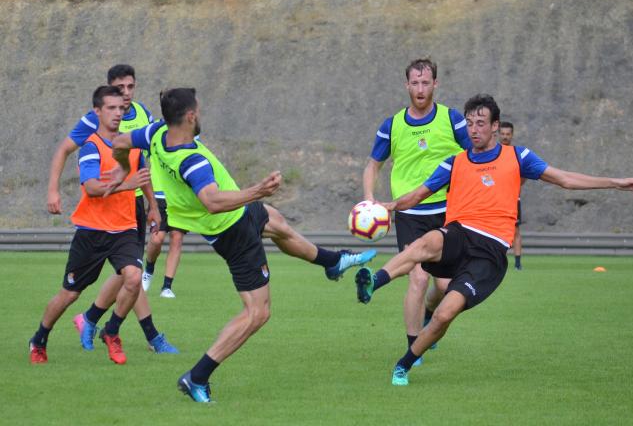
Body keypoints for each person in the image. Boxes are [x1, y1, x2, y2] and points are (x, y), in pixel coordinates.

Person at [107, 88, 377, 402]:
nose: (201, 114)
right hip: (231, 231)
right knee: (258, 313)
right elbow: (211, 201)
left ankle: (332, 262)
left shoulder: (157, 133)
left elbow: (120, 142)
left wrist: (125, 169)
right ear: (191, 116)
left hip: (240, 214)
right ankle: (197, 377)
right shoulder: (191, 161)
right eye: (200, 110)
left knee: (276, 224)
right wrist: (258, 190)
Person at [354, 94, 633, 386]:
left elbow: (565, 179)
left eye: (480, 123)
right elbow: (417, 195)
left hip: (489, 254)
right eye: (469, 124)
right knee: (427, 241)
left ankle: (403, 364)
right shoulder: (454, 162)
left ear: (495, 127)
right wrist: (387, 207)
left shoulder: (518, 157)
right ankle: (373, 282)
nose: (474, 130)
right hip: (460, 234)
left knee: (445, 314)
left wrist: (615, 182)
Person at [47, 64, 178, 354]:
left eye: (131, 87)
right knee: (129, 273)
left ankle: (92, 319)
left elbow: (141, 161)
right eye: (120, 89)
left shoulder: (142, 113)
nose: (126, 94)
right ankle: (147, 335)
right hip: (104, 207)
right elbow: (63, 150)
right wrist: (53, 190)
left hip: (132, 206)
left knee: (130, 273)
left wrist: (152, 203)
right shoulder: (96, 120)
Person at [29, 86, 158, 365]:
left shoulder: (130, 145)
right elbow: (92, 188)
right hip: (92, 231)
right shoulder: (91, 146)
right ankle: (39, 338)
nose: (117, 113)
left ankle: (111, 331)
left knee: (134, 278)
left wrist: (154, 207)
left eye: (120, 108)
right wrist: (128, 185)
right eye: (110, 108)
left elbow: (143, 175)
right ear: (97, 111)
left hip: (124, 228)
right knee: (69, 294)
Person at [362, 58, 470, 365]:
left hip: (449, 211)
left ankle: (428, 313)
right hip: (410, 215)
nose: (420, 89)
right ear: (406, 85)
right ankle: (414, 347)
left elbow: (473, 156)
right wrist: (370, 199)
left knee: (445, 287)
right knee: (418, 279)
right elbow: (373, 164)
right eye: (415, 83)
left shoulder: (452, 119)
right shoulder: (392, 125)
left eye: (426, 83)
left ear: (435, 84)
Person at [498, 121, 523, 270]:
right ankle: (498, 260)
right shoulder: (493, 152)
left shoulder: (516, 154)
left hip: (513, 199)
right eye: (503, 134)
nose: (505, 137)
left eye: (508, 134)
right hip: (495, 199)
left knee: (515, 231)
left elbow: (523, 176)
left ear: (512, 135)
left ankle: (518, 263)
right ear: (498, 134)